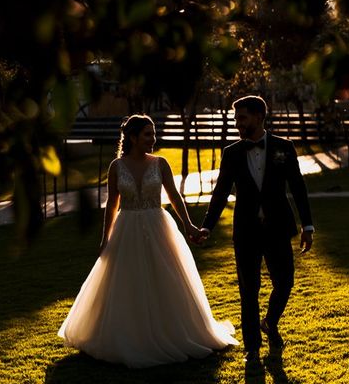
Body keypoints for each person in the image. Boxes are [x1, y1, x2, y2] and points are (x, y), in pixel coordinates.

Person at [58, 114, 238, 368]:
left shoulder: (161, 163)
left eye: (154, 134)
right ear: (132, 137)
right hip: (127, 228)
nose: (153, 139)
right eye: (147, 134)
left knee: (166, 278)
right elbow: (112, 204)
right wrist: (105, 238)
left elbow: (174, 196)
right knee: (127, 282)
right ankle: (129, 335)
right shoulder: (116, 167)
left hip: (159, 226)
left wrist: (188, 224)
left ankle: (174, 331)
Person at [197, 95, 314, 366]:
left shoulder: (283, 147)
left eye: (243, 118)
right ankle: (252, 347)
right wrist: (207, 226)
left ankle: (270, 322)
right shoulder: (232, 153)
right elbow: (221, 193)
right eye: (236, 118)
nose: (238, 123)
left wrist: (307, 225)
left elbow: (297, 187)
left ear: (260, 117)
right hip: (246, 231)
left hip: (278, 228)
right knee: (248, 290)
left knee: (285, 282)